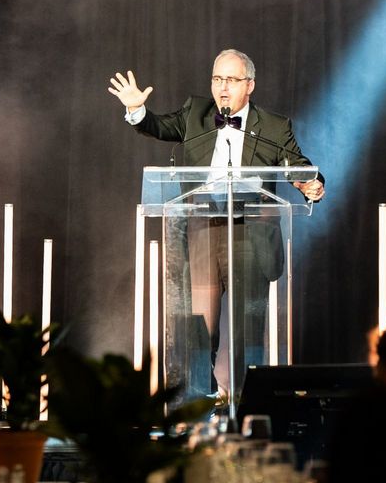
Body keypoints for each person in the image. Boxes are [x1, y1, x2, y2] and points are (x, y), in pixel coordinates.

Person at [108, 50, 324, 399]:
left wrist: (309, 184)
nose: (223, 88)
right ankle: (199, 397)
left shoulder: (273, 126)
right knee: (199, 324)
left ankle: (248, 400)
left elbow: (296, 165)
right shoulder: (196, 113)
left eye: (232, 80)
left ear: (249, 85)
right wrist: (138, 110)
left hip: (251, 232)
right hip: (202, 229)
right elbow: (159, 127)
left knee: (246, 328)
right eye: (217, 79)